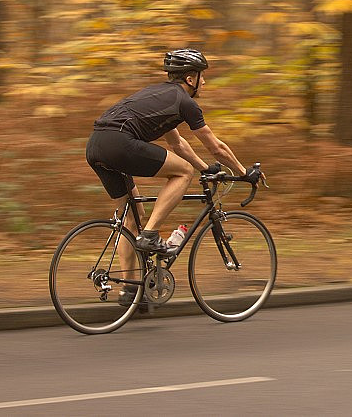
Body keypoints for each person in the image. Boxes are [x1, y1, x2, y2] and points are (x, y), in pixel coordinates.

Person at [85, 49, 261, 305]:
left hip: (96, 146)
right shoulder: (186, 102)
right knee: (182, 172)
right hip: (120, 143)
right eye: (202, 77)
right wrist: (245, 172)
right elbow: (216, 147)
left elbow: (177, 144)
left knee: (132, 217)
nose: (205, 82)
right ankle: (151, 235)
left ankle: (130, 291)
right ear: (190, 79)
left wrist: (205, 168)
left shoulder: (159, 95)